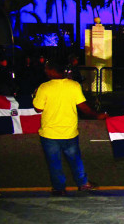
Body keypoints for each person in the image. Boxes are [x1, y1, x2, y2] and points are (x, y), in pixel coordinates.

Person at [32, 59, 108, 196]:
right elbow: (82, 106)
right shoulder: (73, 85)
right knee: (75, 159)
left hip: (49, 133)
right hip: (69, 131)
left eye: (47, 68)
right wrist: (96, 115)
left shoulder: (44, 87)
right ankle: (83, 183)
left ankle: (59, 188)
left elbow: (38, 108)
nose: (45, 71)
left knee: (54, 162)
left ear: (52, 71)